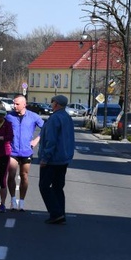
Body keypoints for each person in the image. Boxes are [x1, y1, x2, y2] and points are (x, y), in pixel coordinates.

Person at [38, 95, 75, 225]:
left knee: (44, 186)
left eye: (52, 101)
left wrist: (45, 158)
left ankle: (56, 213)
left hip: (52, 159)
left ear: (57, 104)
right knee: (58, 187)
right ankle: (61, 213)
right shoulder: (67, 117)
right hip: (63, 159)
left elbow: (51, 140)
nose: (51, 103)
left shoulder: (54, 119)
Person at [5, 95, 44, 211]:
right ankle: (12, 200)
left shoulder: (33, 116)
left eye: (17, 104)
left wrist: (36, 140)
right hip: (13, 150)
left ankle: (21, 201)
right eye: (14, 104)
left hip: (27, 151)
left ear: (24, 104)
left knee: (24, 176)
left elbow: (45, 128)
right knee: (11, 175)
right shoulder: (9, 116)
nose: (14, 106)